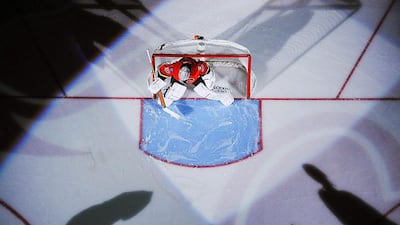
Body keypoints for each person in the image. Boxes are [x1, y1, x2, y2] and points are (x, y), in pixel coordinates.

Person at [148, 57, 234, 107]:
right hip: (177, 79)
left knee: (205, 91)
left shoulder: (199, 68)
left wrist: (209, 85)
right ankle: (167, 95)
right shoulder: (173, 68)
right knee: (175, 93)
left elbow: (208, 72)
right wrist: (158, 83)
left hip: (196, 78)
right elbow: (162, 72)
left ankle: (225, 94)